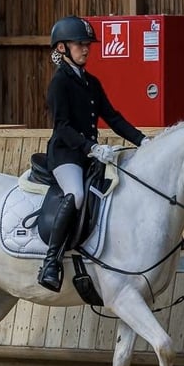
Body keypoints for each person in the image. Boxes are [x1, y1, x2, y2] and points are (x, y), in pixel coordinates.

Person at [37, 15, 151, 292]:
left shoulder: (91, 82)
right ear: (62, 48)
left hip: (90, 155)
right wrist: (92, 147)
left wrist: (143, 141)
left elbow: (112, 117)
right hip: (66, 156)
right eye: (79, 44)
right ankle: (50, 262)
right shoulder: (60, 83)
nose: (86, 49)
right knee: (75, 195)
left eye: (87, 44)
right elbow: (62, 127)